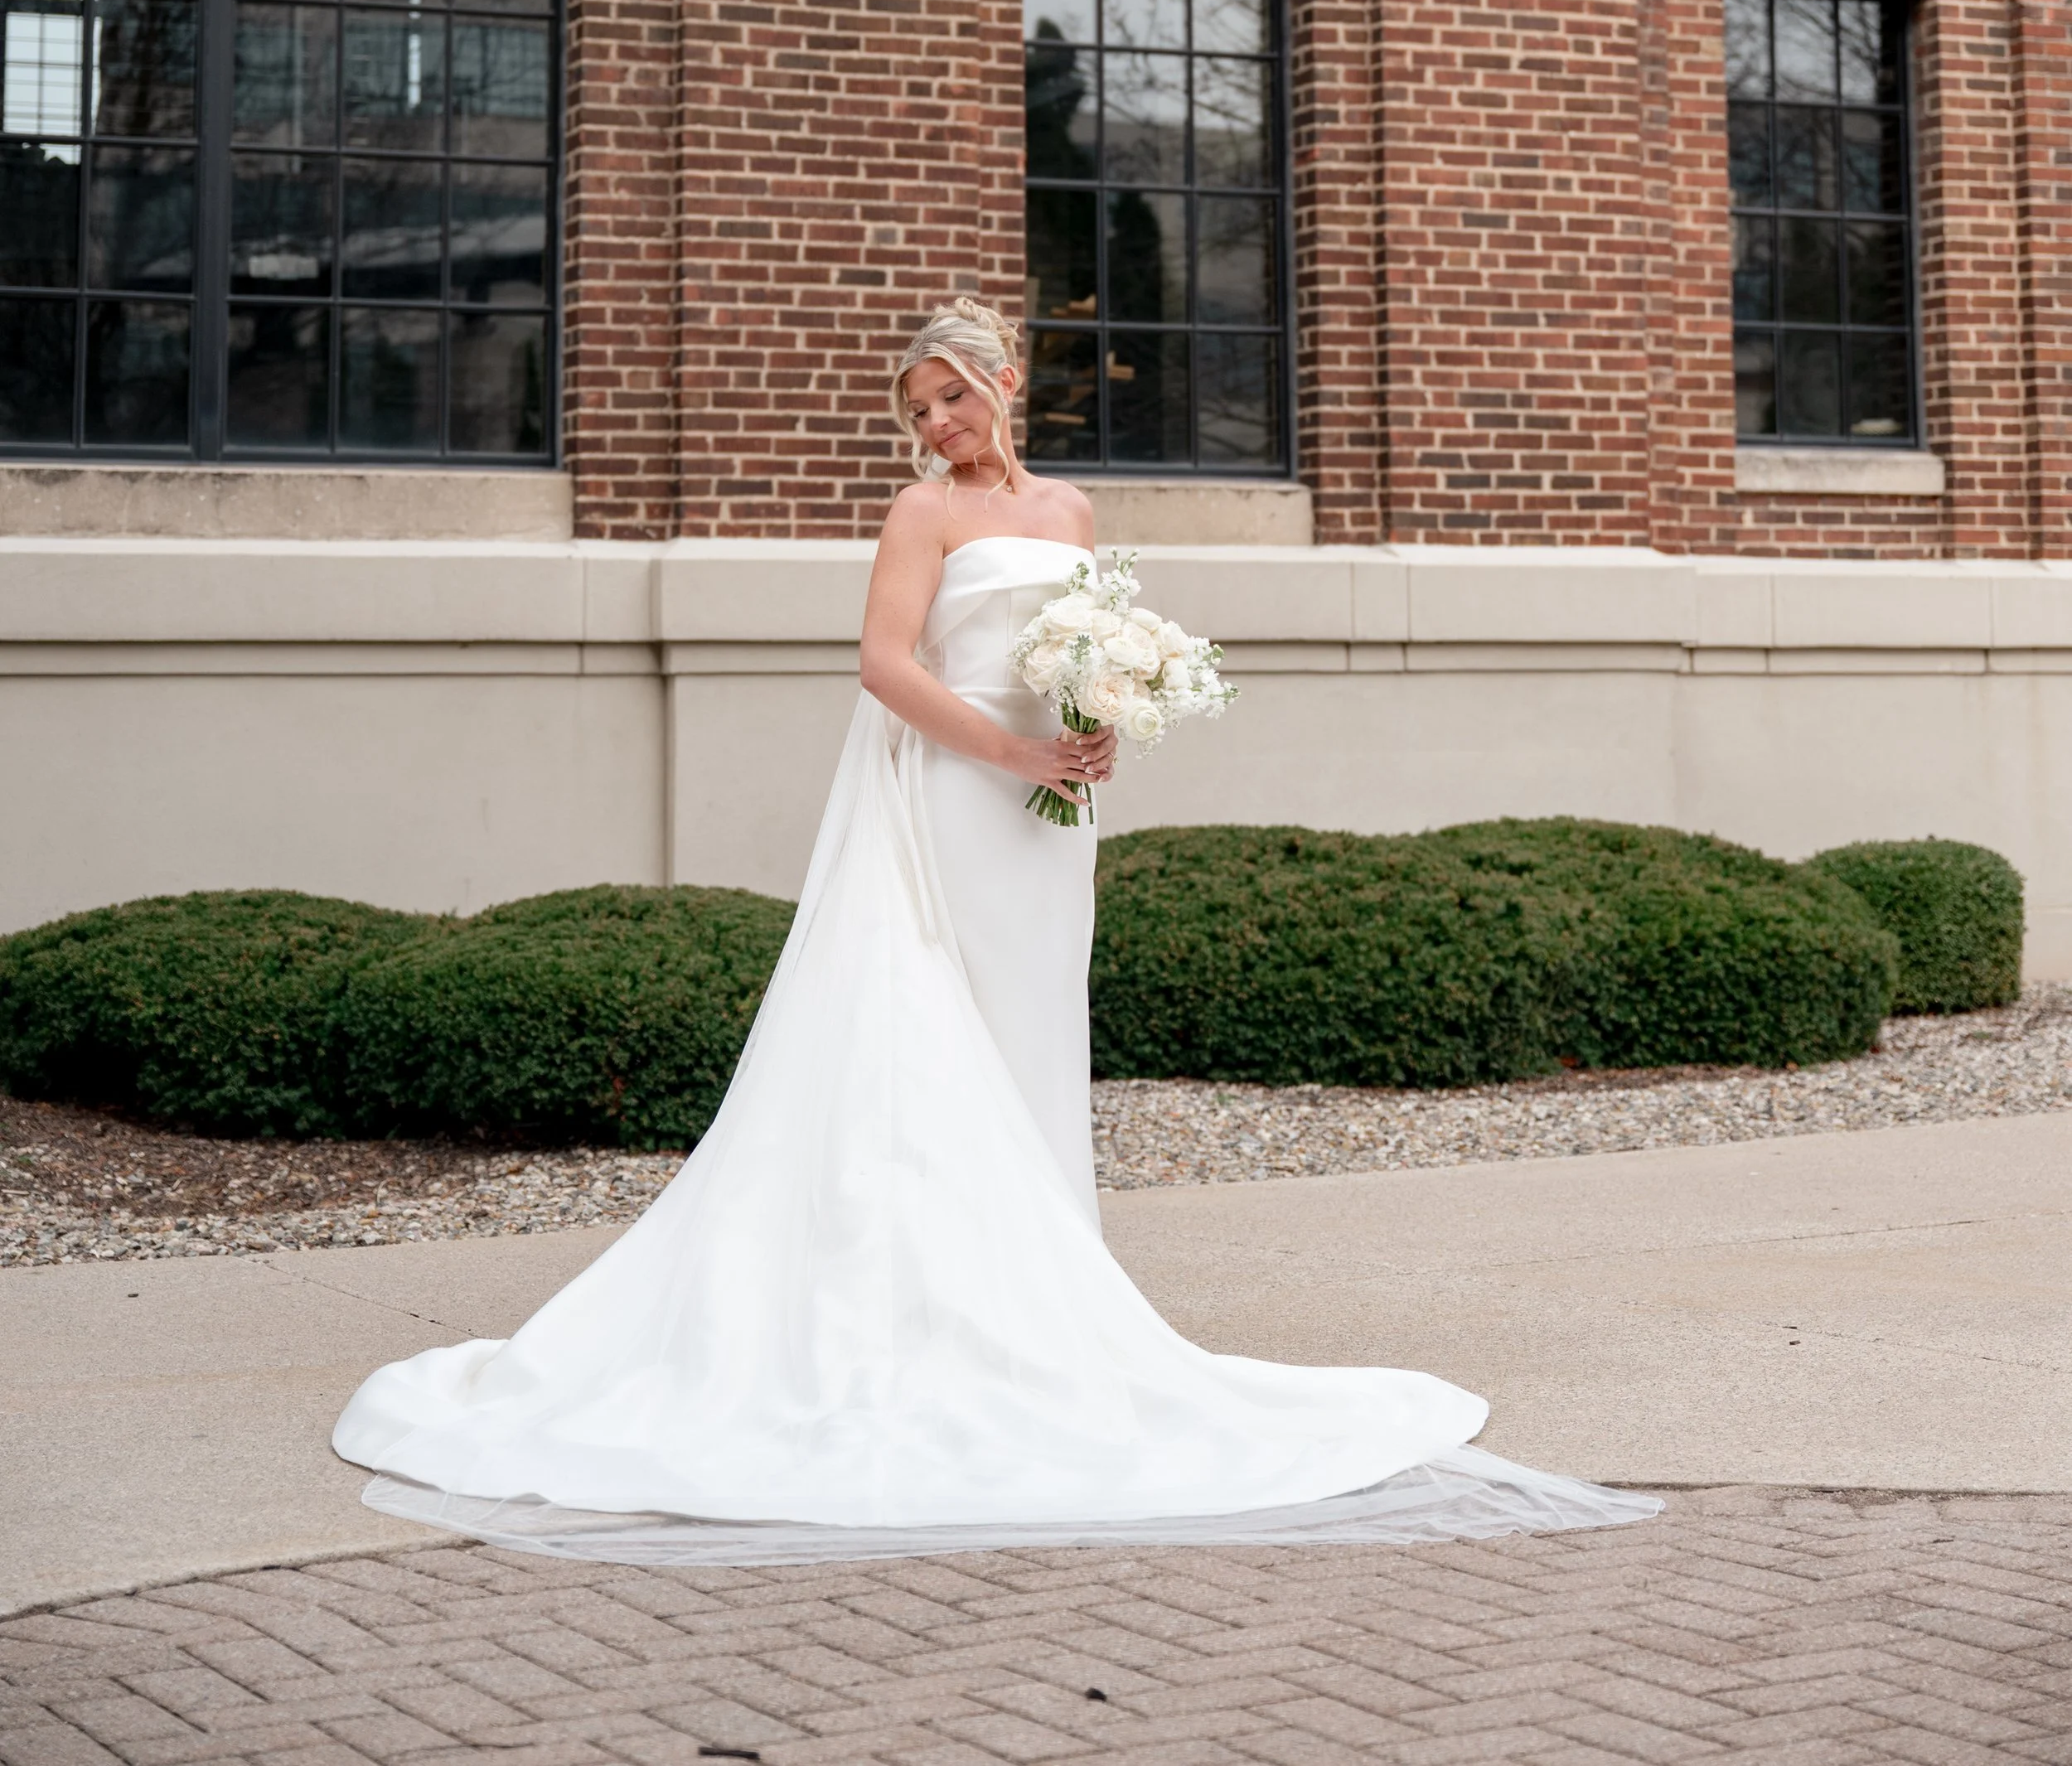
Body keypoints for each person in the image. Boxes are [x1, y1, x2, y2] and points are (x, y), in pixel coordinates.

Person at [335, 297, 1656, 1565]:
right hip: (955, 795)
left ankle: (1044, 1304)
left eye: (953, 395)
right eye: (918, 407)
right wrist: (1008, 743)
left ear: (1004, 381)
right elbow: (886, 663)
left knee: (1029, 1033)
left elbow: (1078, 648)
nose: (938, 422)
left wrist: (1096, 731)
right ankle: (922, 1311)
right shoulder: (921, 510)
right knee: (928, 1033)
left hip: (1047, 819)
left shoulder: (1072, 509)